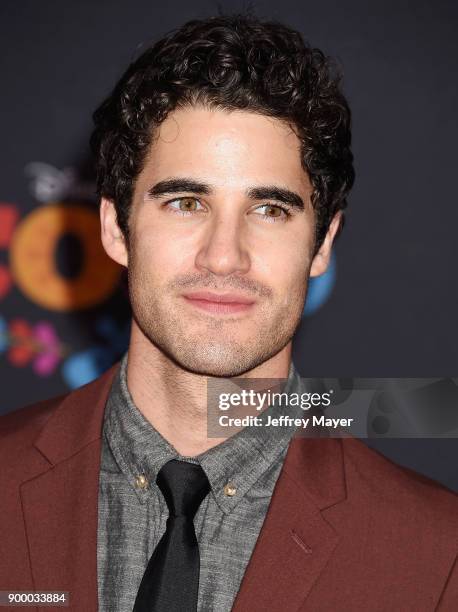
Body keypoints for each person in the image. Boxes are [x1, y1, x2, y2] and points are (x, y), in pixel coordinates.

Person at [1, 14, 456, 612]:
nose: (224, 256)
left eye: (269, 210)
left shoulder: (436, 555)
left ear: (321, 245)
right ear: (115, 227)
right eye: (186, 202)